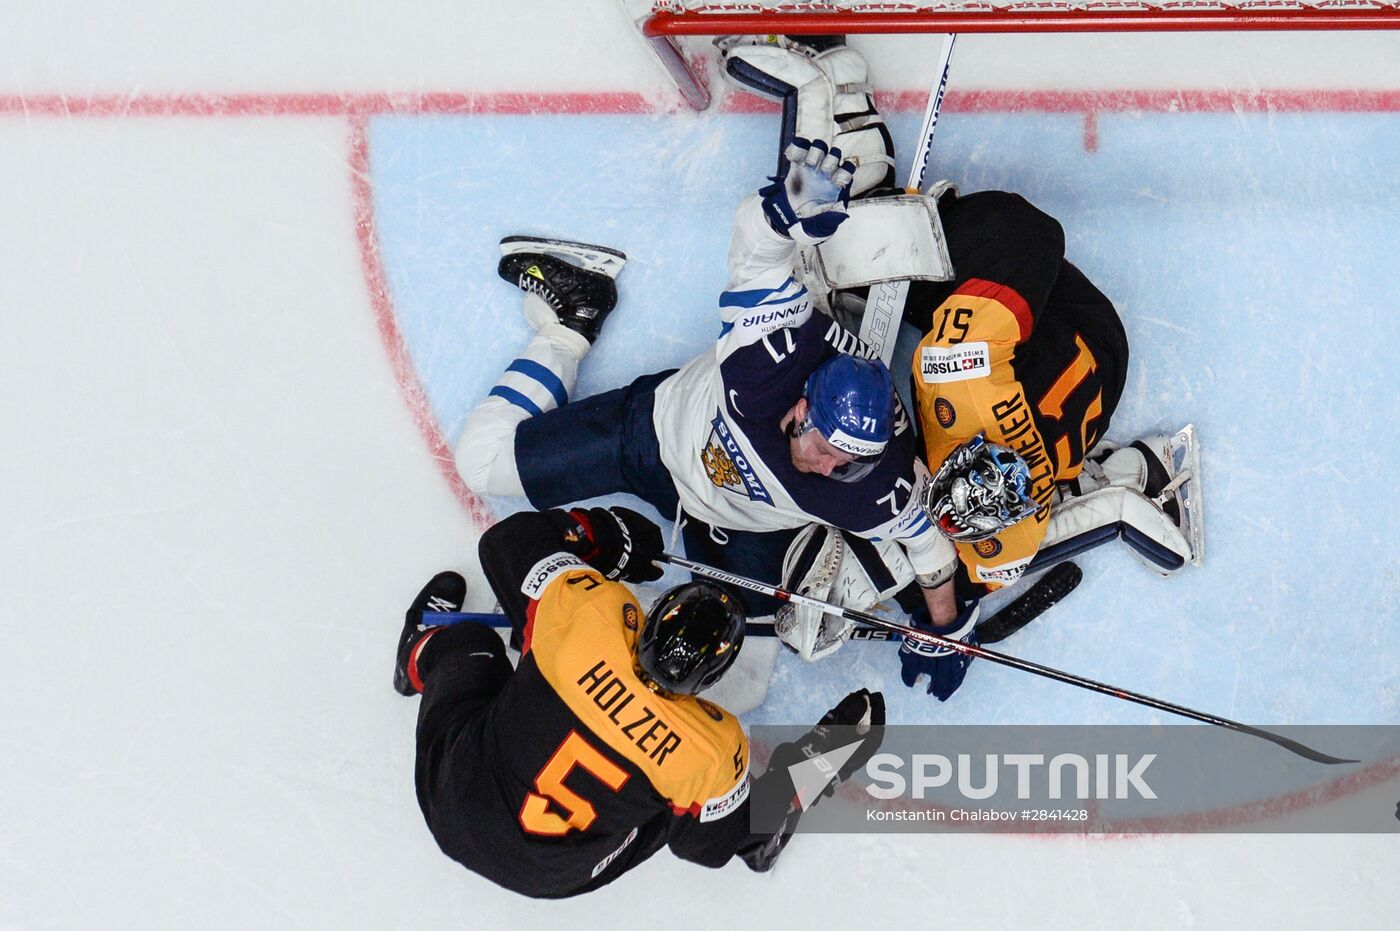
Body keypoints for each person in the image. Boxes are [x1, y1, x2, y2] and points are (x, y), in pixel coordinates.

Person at [718, 35, 1203, 700]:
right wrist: (924, 233)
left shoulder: (1005, 545)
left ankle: (853, 133)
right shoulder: (955, 380)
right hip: (1065, 312)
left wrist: (1147, 478)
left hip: (1088, 385)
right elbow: (1033, 236)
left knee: (863, 283)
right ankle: (832, 86)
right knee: (854, 258)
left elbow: (1114, 513)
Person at [453, 142, 960, 664]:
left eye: (847, 462)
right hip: (649, 437)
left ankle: (810, 555)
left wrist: (943, 632)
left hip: (739, 529)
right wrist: (784, 211)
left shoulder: (876, 484)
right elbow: (755, 251)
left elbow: (931, 552)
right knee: (481, 465)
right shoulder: (769, 352)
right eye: (827, 447)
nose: (830, 468)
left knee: (741, 648)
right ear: (804, 407)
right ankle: (573, 322)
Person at [391, 504, 885, 898]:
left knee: (468, 645)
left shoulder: (589, 615)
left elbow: (505, 543)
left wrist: (600, 535)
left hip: (455, 802)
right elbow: (706, 847)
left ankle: (416, 655)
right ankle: (788, 808)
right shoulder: (711, 750)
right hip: (553, 874)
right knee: (683, 809)